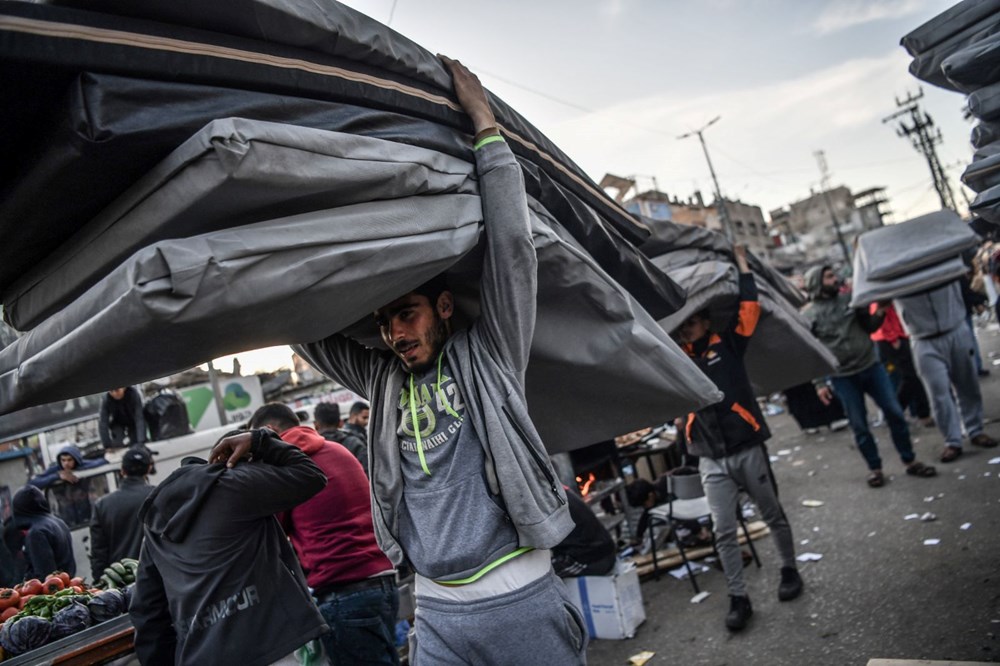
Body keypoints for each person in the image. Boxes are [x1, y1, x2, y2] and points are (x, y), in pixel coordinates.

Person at [217, 57, 584, 665]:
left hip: (519, 598)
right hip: (435, 610)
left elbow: (513, 250)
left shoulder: (490, 353)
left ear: (443, 306)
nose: (393, 332)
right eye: (384, 321)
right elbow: (301, 326)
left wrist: (485, 125)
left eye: (407, 313)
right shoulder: (383, 381)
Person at [676, 245, 802, 632]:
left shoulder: (728, 343)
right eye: (682, 326)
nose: (686, 330)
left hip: (747, 448)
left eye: (691, 323)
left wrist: (744, 265)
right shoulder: (677, 357)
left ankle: (790, 571)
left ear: (705, 320)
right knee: (723, 531)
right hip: (709, 458)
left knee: (772, 514)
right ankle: (738, 597)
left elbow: (749, 306)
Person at [130, 429, 329, 665]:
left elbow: (146, 610)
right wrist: (260, 440)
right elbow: (311, 475)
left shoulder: (154, 524)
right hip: (273, 647)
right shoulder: (236, 484)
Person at [248, 403, 399, 665]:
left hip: (342, 592)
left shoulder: (283, 469)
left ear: (268, 431)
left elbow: (270, 536)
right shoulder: (338, 449)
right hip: (384, 583)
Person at [802, 266, 937, 487]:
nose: (835, 279)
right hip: (843, 377)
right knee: (860, 425)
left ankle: (910, 460)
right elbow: (811, 352)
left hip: (871, 367)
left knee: (895, 413)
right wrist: (819, 383)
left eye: (834, 275)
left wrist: (881, 311)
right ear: (816, 283)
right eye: (828, 277)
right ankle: (875, 469)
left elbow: (870, 326)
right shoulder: (808, 316)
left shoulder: (851, 301)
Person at [894, 279, 999, 462]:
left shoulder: (939, 256)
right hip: (923, 337)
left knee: (968, 384)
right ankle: (953, 440)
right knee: (938, 392)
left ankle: (975, 430)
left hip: (954, 327)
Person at [89, 448, 154, 580]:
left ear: (122, 470)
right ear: (149, 469)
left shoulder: (102, 505)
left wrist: (100, 582)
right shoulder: (159, 495)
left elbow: (98, 553)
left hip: (121, 580)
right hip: (156, 575)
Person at [869, 302, 933, 427]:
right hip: (892, 337)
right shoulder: (881, 293)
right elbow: (883, 313)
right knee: (911, 376)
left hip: (893, 335)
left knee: (911, 375)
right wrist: (892, 337)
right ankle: (902, 411)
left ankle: (919, 412)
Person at [28, 444, 108, 526]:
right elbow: (33, 483)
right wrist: (57, 476)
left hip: (84, 506)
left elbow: (101, 462)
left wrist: (77, 471)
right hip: (65, 511)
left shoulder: (82, 465)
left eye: (69, 460)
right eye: (63, 460)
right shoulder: (56, 469)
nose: (66, 463)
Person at [11, 486, 75, 579]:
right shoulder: (59, 522)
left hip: (56, 591)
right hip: (70, 584)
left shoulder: (36, 533)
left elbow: (45, 575)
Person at [552, 488, 616, 578]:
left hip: (592, 560)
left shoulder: (546, 501)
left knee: (543, 575)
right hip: (606, 551)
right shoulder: (560, 491)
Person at [314, 402, 369, 475]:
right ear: (340, 423)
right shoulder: (354, 443)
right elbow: (369, 471)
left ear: (316, 425)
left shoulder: (310, 449)